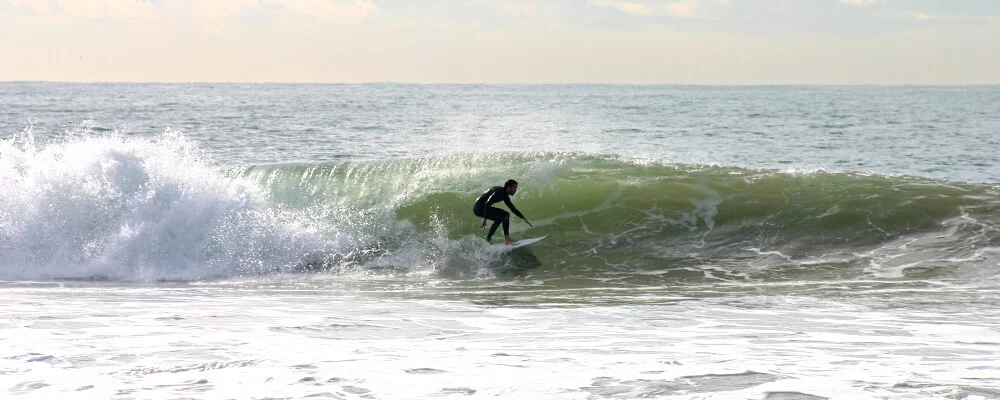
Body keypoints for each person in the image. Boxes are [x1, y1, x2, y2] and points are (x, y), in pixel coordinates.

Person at [473, 179, 534, 245]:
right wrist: (484, 219)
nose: (516, 190)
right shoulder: (499, 192)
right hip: (479, 207)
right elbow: (487, 204)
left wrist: (524, 219)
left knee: (499, 219)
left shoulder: (505, 195)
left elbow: (513, 209)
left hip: (481, 208)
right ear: (508, 187)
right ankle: (507, 240)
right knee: (505, 214)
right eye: (515, 187)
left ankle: (488, 238)